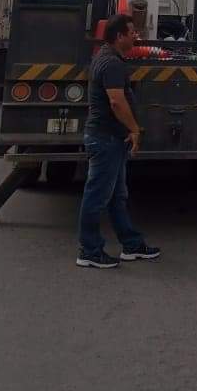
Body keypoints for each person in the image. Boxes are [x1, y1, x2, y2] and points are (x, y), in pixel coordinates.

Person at [77, 13, 160, 269]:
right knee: (97, 196)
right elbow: (116, 101)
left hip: (111, 138)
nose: (136, 36)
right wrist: (134, 129)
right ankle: (89, 251)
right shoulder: (111, 63)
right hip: (105, 139)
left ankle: (131, 244)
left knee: (116, 196)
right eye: (132, 32)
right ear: (119, 36)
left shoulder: (108, 58)